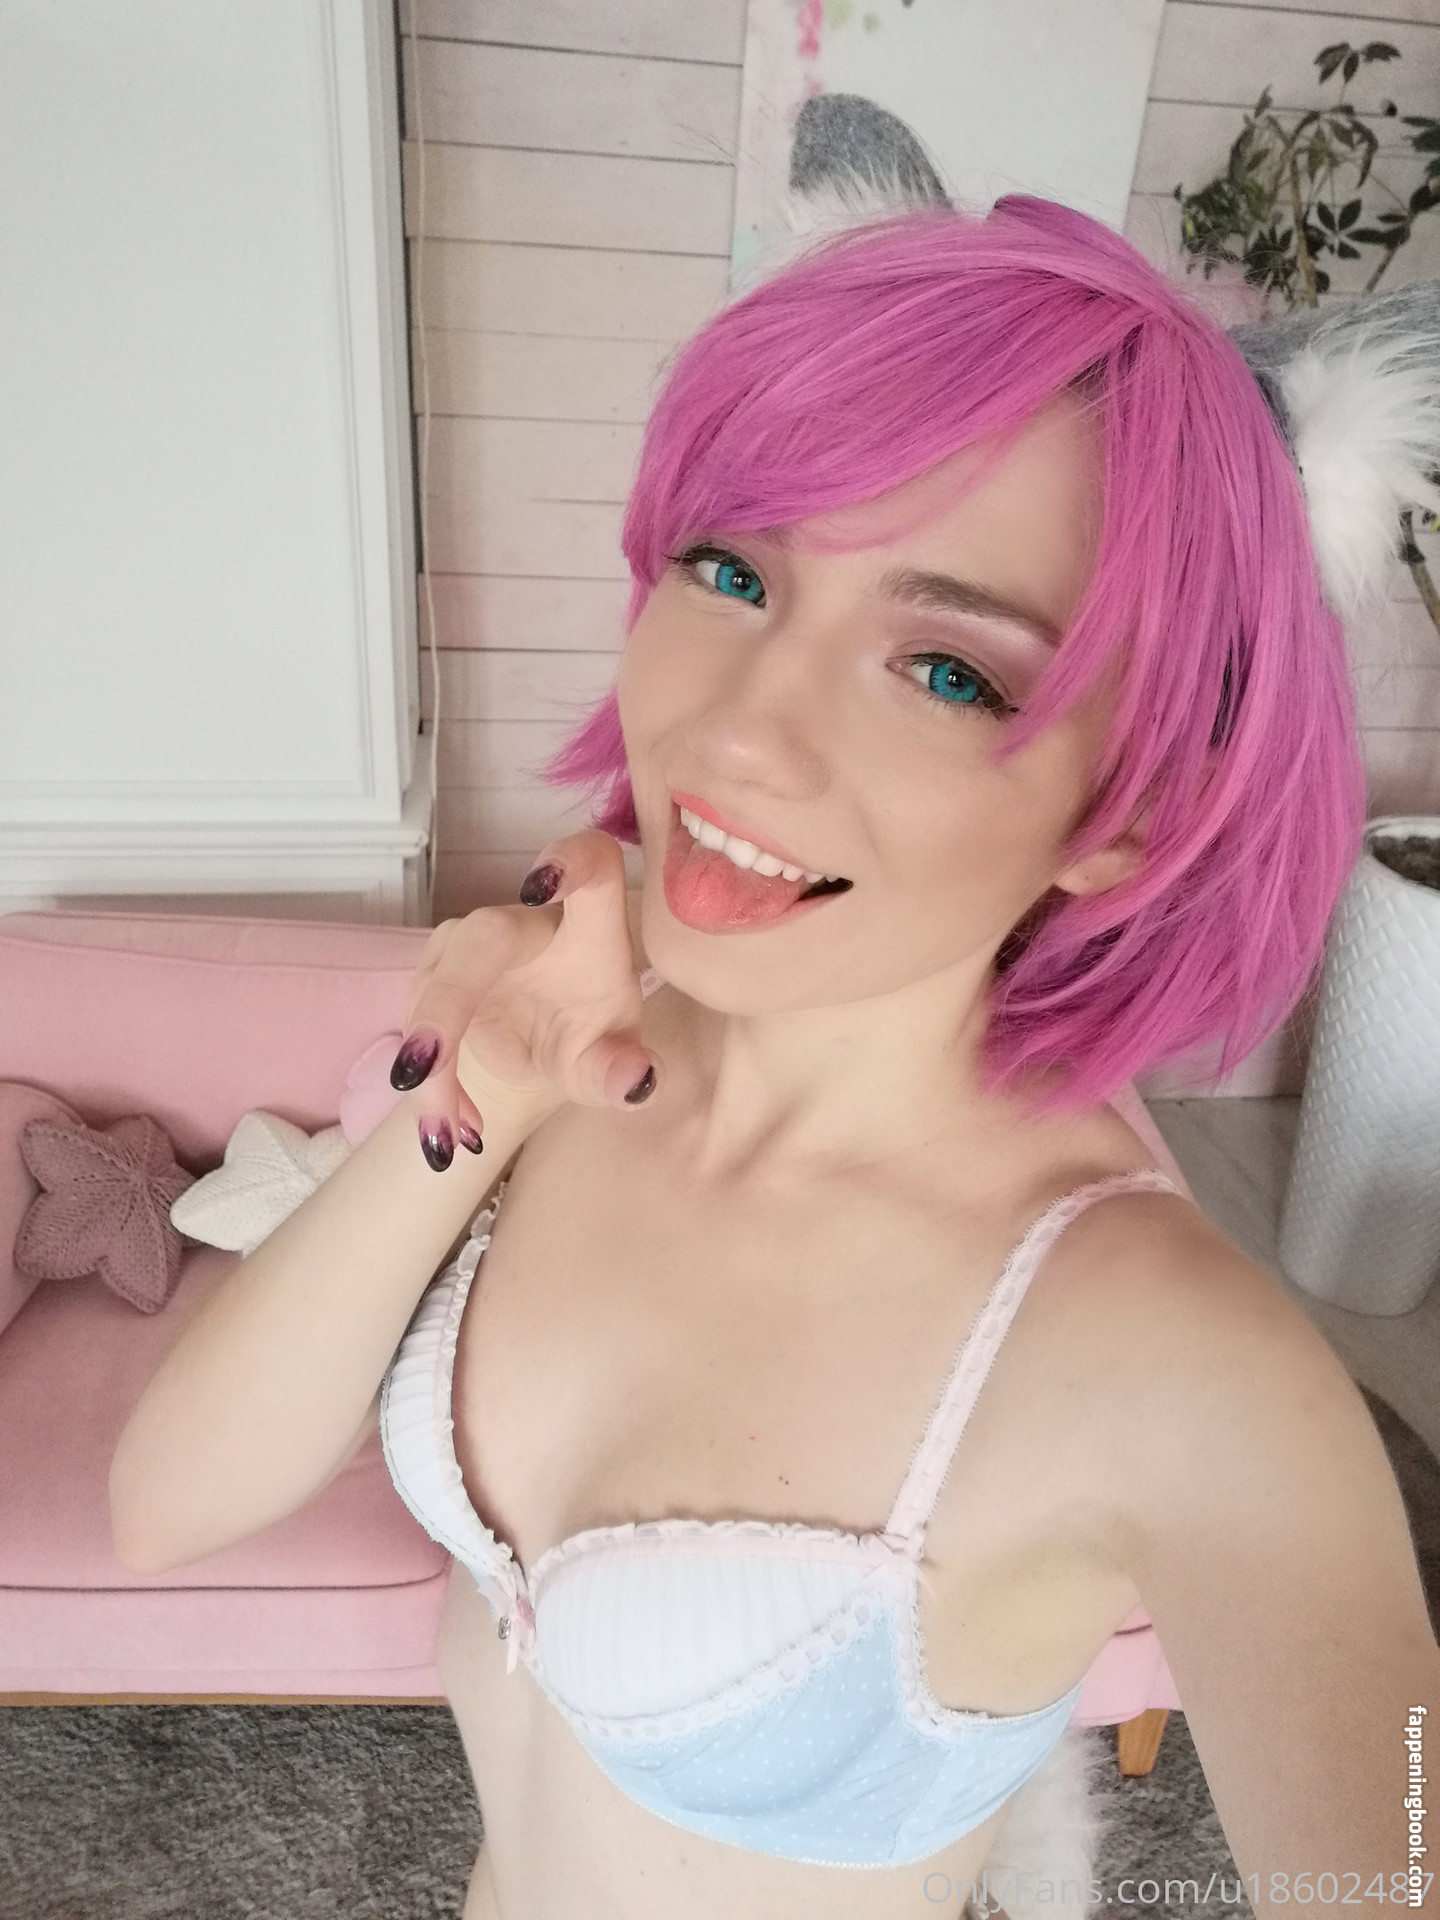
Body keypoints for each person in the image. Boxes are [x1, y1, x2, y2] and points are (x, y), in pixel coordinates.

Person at [110, 194, 1440, 1920]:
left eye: (944, 668)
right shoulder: (571, 1060)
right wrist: (478, 1090)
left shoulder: (1173, 1362)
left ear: (1130, 812)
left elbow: (1394, 1848)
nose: (738, 730)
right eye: (734, 572)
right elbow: (165, 1506)